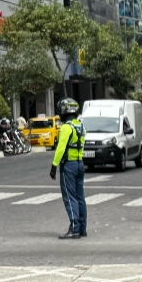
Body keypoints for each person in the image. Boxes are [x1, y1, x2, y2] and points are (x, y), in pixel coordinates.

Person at [49, 98, 86, 239]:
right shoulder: (81, 127)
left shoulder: (66, 128)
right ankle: (82, 228)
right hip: (79, 164)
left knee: (70, 197)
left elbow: (60, 148)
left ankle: (74, 228)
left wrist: (54, 166)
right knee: (80, 197)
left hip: (69, 165)